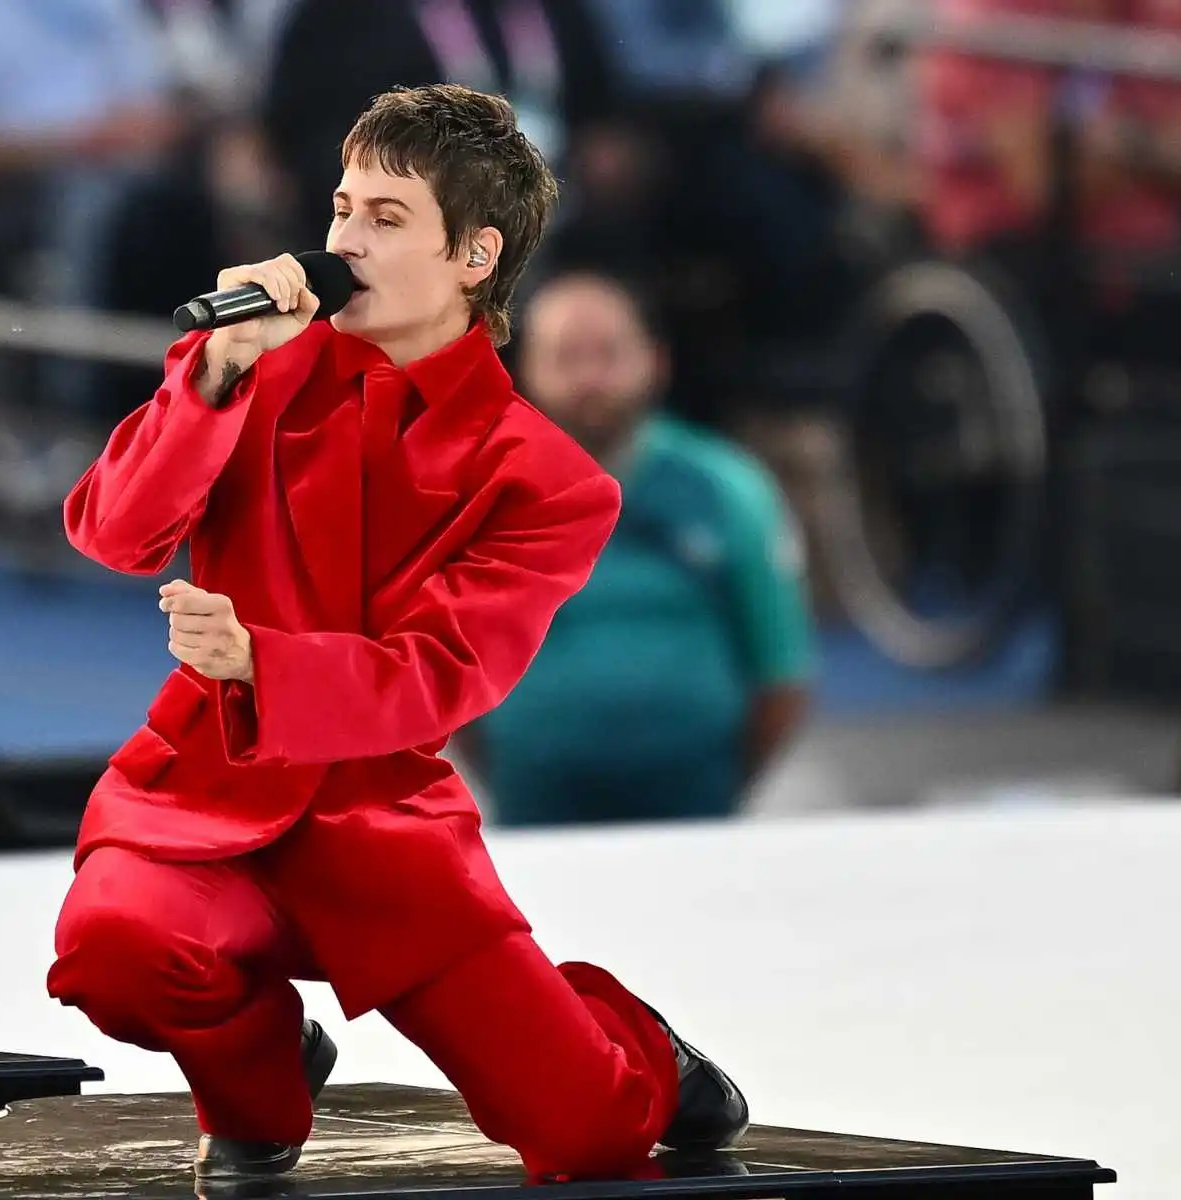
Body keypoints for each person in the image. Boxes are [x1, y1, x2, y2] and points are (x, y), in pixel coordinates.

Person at [46, 83, 748, 1186]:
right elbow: (113, 532)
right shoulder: (245, 370)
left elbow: (443, 674)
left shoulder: (549, 482)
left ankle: (639, 1049)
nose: (343, 241)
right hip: (204, 791)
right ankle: (257, 1088)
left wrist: (262, 660)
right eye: (340, 208)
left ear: (474, 255)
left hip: (380, 827)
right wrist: (214, 378)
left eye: (384, 217)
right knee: (111, 947)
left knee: (587, 1136)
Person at [462, 270, 814, 826]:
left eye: (608, 354)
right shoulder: (475, 501)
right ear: (524, 369)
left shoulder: (729, 488)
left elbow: (781, 670)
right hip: (536, 816)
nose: (589, 378)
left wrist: (727, 783)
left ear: (656, 361)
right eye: (566, 356)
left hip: (697, 812)